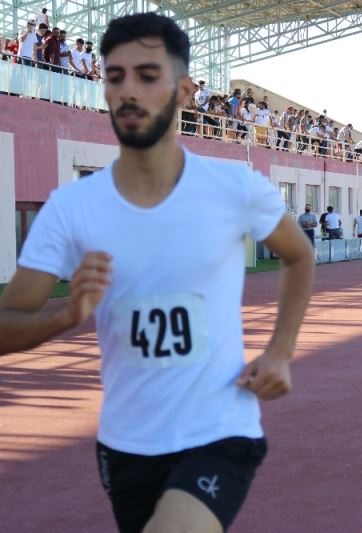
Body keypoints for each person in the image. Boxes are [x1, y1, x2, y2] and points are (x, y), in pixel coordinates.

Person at [0, 14, 315, 533]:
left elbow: (299, 255)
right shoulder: (71, 208)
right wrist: (66, 314)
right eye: (115, 77)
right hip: (126, 443)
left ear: (185, 91)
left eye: (148, 76)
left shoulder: (233, 188)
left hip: (220, 430)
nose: (129, 91)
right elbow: (7, 324)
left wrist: (281, 350)